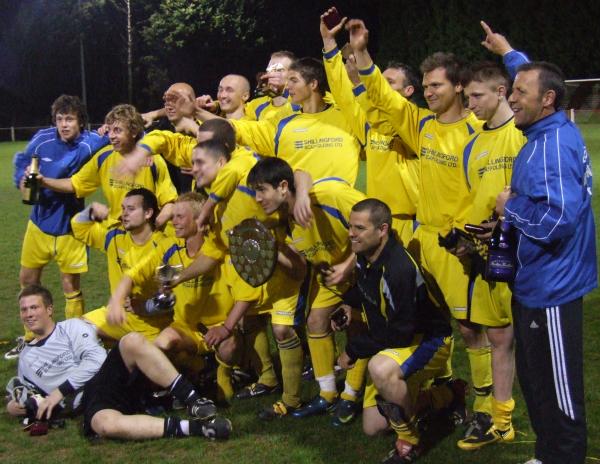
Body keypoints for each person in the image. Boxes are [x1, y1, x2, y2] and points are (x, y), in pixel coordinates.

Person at [347, 18, 495, 437]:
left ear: (459, 88)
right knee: (428, 320)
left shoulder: (477, 131)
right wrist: (361, 53)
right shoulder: (422, 125)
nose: (429, 92)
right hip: (423, 240)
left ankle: (484, 408)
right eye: (426, 86)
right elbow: (383, 97)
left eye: (437, 86)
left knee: (471, 328)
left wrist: (469, 237)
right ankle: (444, 387)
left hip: (460, 245)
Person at [495, 61, 597, 464]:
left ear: (548, 99)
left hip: (553, 288)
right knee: (537, 380)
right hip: (535, 281)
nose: (511, 97)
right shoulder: (545, 132)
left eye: (520, 92)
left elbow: (557, 219)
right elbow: (534, 73)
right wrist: (509, 53)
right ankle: (548, 453)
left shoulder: (552, 144)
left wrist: (511, 207)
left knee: (559, 389)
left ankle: (566, 456)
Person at [334, 199, 457, 463]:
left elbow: (399, 334)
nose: (351, 234)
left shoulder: (398, 269)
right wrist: (348, 303)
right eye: (350, 226)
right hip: (396, 345)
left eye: (359, 228)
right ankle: (448, 395)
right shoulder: (364, 254)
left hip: (430, 342)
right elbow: (368, 289)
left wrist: (352, 351)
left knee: (379, 368)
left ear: (382, 230)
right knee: (373, 427)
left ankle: (410, 442)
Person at [247, 157, 368, 422]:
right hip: (333, 274)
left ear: (282, 187)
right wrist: (273, 249)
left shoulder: (330, 196)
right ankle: (327, 394)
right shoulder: (283, 220)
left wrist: (349, 268)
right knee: (315, 320)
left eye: (261, 190)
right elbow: (301, 270)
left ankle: (351, 394)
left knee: (358, 326)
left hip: (367, 266)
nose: (257, 198)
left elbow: (376, 230)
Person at [450, 61, 526, 450]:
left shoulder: (523, 134)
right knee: (498, 336)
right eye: (467, 97)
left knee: (531, 340)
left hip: (525, 254)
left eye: (477, 95)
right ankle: (501, 421)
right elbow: (474, 196)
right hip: (485, 255)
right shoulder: (473, 143)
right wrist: (465, 236)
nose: (471, 103)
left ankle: (556, 427)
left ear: (501, 92)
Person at [8, 95, 109, 359]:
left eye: (70, 119)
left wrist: (148, 120)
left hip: (71, 229)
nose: (64, 124)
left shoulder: (91, 142)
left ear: (81, 122)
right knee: (27, 280)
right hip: (39, 225)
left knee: (70, 285)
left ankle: (72, 341)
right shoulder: (43, 139)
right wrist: (22, 181)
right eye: (60, 119)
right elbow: (22, 160)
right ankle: (31, 338)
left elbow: (127, 132)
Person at [320, 9, 420, 247]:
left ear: (408, 91)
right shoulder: (371, 126)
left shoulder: (416, 124)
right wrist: (329, 43)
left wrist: (359, 81)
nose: (380, 87)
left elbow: (388, 118)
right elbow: (344, 97)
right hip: (379, 223)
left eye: (389, 83)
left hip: (412, 223)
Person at [40, 104, 177, 227]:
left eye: (117, 130)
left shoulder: (153, 161)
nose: (111, 136)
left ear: (134, 132)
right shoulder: (103, 157)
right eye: (109, 130)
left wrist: (155, 226)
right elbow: (74, 184)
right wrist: (43, 181)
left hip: (147, 237)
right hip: (116, 236)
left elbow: (169, 203)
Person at [82, 331, 232, 441]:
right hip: (109, 395)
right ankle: (197, 417)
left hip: (135, 390)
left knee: (133, 341)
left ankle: (197, 412)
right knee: (105, 424)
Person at [71, 188, 170, 341]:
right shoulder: (114, 237)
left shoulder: (165, 247)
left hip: (152, 327)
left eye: (131, 209)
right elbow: (79, 227)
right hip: (117, 318)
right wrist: (89, 210)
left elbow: (172, 298)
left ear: (148, 213)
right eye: (123, 208)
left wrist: (145, 307)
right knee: (75, 330)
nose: (124, 213)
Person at [6, 285, 106, 422]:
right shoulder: (25, 357)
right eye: (24, 310)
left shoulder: (72, 327)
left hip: (103, 387)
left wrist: (59, 392)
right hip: (79, 406)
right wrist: (14, 406)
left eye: (34, 307)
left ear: (49, 310)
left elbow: (98, 359)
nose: (29, 314)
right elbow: (26, 393)